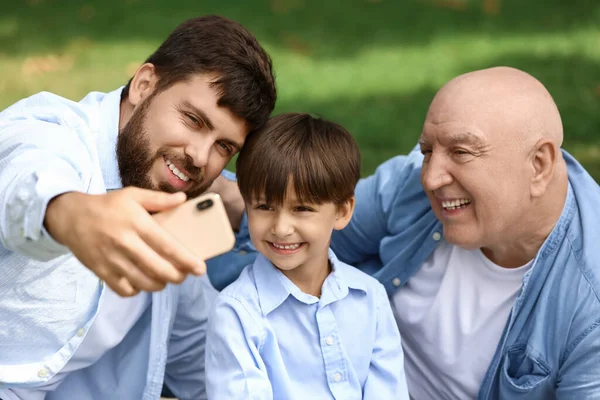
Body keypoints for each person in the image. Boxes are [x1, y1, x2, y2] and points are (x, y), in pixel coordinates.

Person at [212, 67, 600, 399]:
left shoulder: (590, 302)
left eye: (461, 152)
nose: (430, 177)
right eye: (428, 151)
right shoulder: (411, 185)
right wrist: (217, 192)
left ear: (538, 164)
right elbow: (305, 221)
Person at [0, 15, 276, 399]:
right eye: (193, 120)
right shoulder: (50, 132)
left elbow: (201, 351)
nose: (200, 157)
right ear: (144, 85)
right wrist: (72, 215)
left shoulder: (173, 213)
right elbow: (24, 187)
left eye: (223, 147)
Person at [204, 113, 410, 400]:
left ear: (342, 211)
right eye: (264, 206)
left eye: (301, 209)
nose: (281, 228)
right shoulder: (237, 313)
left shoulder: (370, 297)